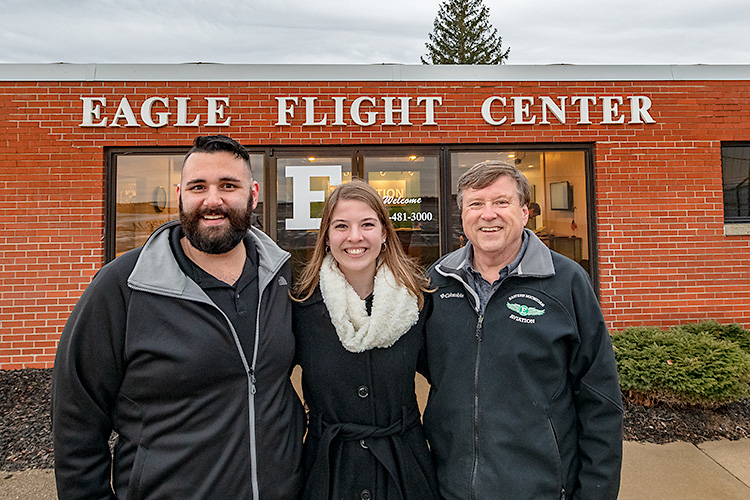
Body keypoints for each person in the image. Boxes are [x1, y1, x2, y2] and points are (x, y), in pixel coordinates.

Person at [52, 135, 305, 499]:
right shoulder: (124, 285)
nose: (212, 200)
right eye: (198, 186)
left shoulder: (281, 278)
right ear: (180, 195)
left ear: (252, 194)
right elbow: (76, 420)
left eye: (228, 186)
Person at [423, 161, 623, 500]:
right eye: (476, 204)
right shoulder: (437, 282)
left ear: (525, 212)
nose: (488, 215)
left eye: (501, 202)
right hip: (450, 487)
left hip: (540, 489)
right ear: (463, 215)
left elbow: (600, 400)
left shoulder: (567, 282)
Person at [292, 180, 439, 500]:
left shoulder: (418, 301)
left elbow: (449, 379)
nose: (355, 237)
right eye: (341, 226)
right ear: (327, 237)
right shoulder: (301, 305)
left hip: (404, 471)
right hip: (328, 473)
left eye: (367, 224)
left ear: (384, 233)